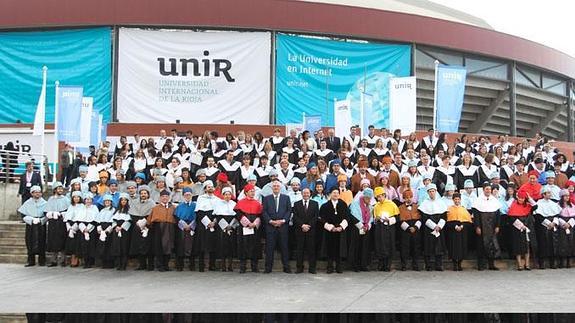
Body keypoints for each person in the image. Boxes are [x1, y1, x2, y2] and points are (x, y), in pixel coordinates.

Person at [262, 180, 292, 273]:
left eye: (277, 186)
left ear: (280, 188)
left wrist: (282, 221)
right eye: (274, 186)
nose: (276, 187)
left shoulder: (286, 198)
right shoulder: (266, 198)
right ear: (272, 188)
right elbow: (264, 212)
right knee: (269, 248)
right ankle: (268, 268)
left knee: (284, 247)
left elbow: (289, 211)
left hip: (283, 227)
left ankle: (286, 267)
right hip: (270, 227)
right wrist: (271, 221)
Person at [472, 183, 502, 271]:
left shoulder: (495, 200)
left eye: (489, 189)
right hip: (482, 225)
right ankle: (481, 265)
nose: (488, 191)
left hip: (492, 226)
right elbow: (476, 216)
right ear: (483, 190)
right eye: (486, 189)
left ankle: (491, 264)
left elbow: (498, 215)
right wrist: (477, 226)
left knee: (492, 245)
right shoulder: (478, 201)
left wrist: (497, 226)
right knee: (481, 245)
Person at [319, 188, 350, 274]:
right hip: (330, 231)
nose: (336, 194)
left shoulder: (343, 205)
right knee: (330, 249)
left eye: (337, 193)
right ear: (330, 194)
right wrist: (330, 227)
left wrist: (341, 226)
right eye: (334, 193)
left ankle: (339, 267)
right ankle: (330, 267)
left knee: (339, 249)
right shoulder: (325, 206)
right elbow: (321, 218)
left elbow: (347, 217)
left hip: (340, 230)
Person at [418, 183, 448, 271]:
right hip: (428, 227)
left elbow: (444, 216)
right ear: (427, 192)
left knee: (439, 246)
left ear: (436, 191)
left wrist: (439, 226)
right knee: (428, 246)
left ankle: (439, 265)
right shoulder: (424, 203)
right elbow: (424, 217)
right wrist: (433, 226)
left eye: (433, 191)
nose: (432, 193)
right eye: (430, 191)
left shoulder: (441, 202)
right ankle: (428, 265)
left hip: (439, 227)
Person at [234, 184, 263, 273]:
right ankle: (243, 266)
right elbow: (238, 214)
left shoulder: (257, 203)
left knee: (255, 246)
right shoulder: (240, 202)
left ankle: (254, 266)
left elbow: (260, 215)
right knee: (243, 246)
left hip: (254, 228)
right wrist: (247, 223)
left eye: (253, 191)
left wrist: (254, 223)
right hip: (244, 228)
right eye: (251, 191)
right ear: (246, 192)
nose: (253, 193)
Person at [147, 190, 177, 272]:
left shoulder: (173, 207)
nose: (165, 198)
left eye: (166, 196)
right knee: (159, 246)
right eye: (163, 196)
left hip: (170, 228)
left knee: (168, 246)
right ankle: (160, 265)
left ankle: (166, 265)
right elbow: (150, 220)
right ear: (160, 198)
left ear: (169, 198)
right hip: (159, 228)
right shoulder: (155, 208)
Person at [18, 185, 47, 267]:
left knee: (42, 241)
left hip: (41, 224)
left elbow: (47, 215)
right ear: (32, 193)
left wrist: (41, 220)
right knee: (29, 241)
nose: (37, 194)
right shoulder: (27, 203)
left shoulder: (45, 203)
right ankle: (31, 260)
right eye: (35, 192)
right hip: (31, 225)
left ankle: (42, 260)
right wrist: (30, 219)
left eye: (39, 192)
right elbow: (23, 215)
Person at [534, 186, 562, 269]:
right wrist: (548, 223)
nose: (550, 194)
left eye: (550, 193)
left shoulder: (553, 203)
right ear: (543, 194)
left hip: (553, 225)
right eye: (548, 193)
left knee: (553, 244)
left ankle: (552, 262)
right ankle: (542, 262)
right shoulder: (539, 203)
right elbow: (538, 216)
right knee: (543, 244)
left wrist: (554, 222)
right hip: (543, 226)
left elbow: (557, 214)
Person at [129, 185, 156, 270]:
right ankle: (142, 265)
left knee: (149, 246)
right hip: (137, 226)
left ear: (148, 194)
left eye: (145, 193)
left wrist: (145, 222)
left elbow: (152, 215)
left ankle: (150, 265)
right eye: (141, 193)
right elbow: (132, 214)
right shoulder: (135, 202)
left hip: (148, 226)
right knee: (139, 245)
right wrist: (138, 222)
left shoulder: (152, 203)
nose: (143, 195)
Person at [507, 190, 536, 271]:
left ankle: (527, 264)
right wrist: (521, 226)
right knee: (518, 247)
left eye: (523, 198)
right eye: (520, 198)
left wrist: (529, 198)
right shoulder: (513, 205)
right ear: (517, 197)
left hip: (526, 228)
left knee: (527, 247)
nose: (521, 200)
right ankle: (520, 265)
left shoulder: (527, 205)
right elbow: (511, 218)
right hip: (517, 228)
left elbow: (535, 206)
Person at [292, 188, 319, 274]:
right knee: (300, 250)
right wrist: (302, 225)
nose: (306, 194)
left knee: (311, 250)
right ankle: (299, 268)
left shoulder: (315, 204)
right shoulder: (296, 204)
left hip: (311, 230)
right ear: (302, 194)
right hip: (300, 230)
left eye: (307, 193)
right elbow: (295, 217)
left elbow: (316, 216)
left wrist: (309, 225)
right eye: (304, 193)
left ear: (310, 194)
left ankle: (312, 268)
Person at [373, 187, 399, 271]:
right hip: (379, 228)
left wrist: (389, 220)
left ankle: (388, 264)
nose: (379, 198)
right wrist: (376, 219)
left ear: (384, 195)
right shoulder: (376, 206)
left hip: (389, 227)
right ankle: (381, 264)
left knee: (388, 245)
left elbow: (397, 217)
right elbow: (374, 217)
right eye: (378, 197)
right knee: (379, 245)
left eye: (381, 196)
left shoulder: (391, 204)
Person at [195, 180, 219, 272]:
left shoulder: (217, 199)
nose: (210, 188)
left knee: (212, 244)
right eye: (208, 187)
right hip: (203, 223)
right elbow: (199, 212)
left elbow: (218, 213)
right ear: (205, 189)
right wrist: (207, 223)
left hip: (213, 222)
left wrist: (213, 222)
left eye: (212, 187)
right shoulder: (201, 198)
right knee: (202, 244)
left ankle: (212, 265)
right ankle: (201, 265)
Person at [348, 188, 374, 272]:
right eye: (367, 198)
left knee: (365, 247)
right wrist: (360, 225)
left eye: (370, 198)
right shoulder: (355, 204)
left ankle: (364, 264)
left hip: (366, 228)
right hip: (357, 227)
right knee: (356, 246)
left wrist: (368, 224)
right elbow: (352, 215)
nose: (368, 200)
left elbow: (371, 217)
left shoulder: (370, 206)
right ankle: (355, 265)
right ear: (363, 196)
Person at [45, 182, 70, 267]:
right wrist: (51, 213)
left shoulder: (65, 199)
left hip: (62, 222)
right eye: (58, 188)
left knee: (62, 240)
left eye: (61, 188)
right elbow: (47, 210)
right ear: (55, 190)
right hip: (53, 222)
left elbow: (69, 210)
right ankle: (53, 260)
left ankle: (63, 260)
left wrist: (62, 213)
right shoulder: (51, 199)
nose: (60, 190)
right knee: (52, 240)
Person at [445, 193, 472, 271]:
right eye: (455, 199)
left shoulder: (463, 209)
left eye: (458, 199)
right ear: (453, 200)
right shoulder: (449, 209)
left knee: (461, 247)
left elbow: (468, 221)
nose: (457, 201)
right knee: (453, 247)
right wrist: (455, 226)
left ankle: (460, 264)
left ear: (460, 200)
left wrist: (462, 226)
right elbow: (448, 221)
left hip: (462, 231)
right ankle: (454, 264)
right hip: (453, 231)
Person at [213, 187, 238, 272]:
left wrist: (231, 226)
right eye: (226, 194)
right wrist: (225, 226)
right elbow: (218, 216)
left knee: (231, 245)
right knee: (223, 245)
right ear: (223, 195)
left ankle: (230, 265)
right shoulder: (218, 204)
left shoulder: (234, 204)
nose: (227, 196)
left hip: (232, 226)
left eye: (229, 194)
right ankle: (223, 265)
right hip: (222, 227)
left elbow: (236, 216)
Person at [174, 187, 197, 271]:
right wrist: (183, 225)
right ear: (183, 196)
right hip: (182, 226)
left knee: (192, 245)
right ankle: (180, 265)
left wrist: (191, 225)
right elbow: (176, 216)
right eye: (186, 195)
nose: (188, 196)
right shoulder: (180, 206)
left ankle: (192, 265)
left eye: (189, 195)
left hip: (192, 226)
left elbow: (197, 216)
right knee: (181, 245)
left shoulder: (195, 205)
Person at [398, 189, 421, 271]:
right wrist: (408, 228)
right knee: (404, 247)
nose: (409, 199)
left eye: (410, 197)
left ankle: (416, 264)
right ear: (404, 198)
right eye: (407, 197)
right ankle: (404, 264)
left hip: (415, 228)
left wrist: (415, 227)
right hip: (405, 230)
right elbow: (399, 220)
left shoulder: (417, 206)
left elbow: (420, 219)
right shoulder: (400, 207)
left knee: (416, 247)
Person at [76, 192, 99, 269]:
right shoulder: (81, 208)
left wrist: (88, 228)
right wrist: (83, 228)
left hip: (91, 228)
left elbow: (96, 219)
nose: (88, 201)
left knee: (91, 245)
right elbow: (78, 220)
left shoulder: (95, 208)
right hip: (83, 228)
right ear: (84, 200)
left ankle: (90, 261)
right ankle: (85, 261)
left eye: (90, 199)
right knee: (84, 245)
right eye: (87, 199)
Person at [109, 193, 131, 271]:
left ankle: (124, 264)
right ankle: (118, 264)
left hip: (125, 231)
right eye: (122, 200)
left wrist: (122, 227)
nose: (123, 201)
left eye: (125, 200)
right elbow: (113, 220)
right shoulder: (117, 210)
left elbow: (129, 221)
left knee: (124, 247)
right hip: (117, 230)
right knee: (117, 247)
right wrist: (116, 227)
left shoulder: (129, 210)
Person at [95, 195, 115, 268]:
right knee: (102, 246)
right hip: (102, 229)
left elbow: (113, 222)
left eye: (108, 201)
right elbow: (98, 221)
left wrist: (107, 230)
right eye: (105, 201)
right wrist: (99, 229)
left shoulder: (113, 210)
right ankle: (103, 262)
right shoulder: (102, 210)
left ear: (111, 202)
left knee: (109, 246)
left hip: (109, 230)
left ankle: (110, 263)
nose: (107, 202)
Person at [557, 189, 575, 268]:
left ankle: (569, 261)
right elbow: (556, 216)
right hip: (562, 225)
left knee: (570, 242)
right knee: (562, 243)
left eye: (568, 196)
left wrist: (570, 223)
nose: (567, 197)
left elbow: (574, 216)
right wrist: (563, 223)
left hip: (571, 225)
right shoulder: (557, 205)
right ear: (561, 197)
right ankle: (561, 261)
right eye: (565, 196)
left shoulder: (572, 205)